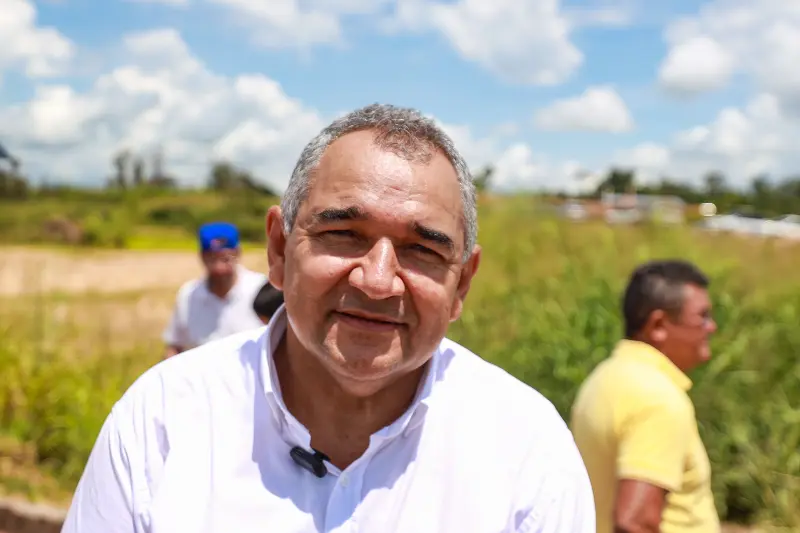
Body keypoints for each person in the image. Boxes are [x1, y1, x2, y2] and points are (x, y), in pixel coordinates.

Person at [61, 103, 595, 533]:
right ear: (278, 248)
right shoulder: (164, 420)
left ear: (463, 284)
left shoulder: (526, 449)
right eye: (343, 234)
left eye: (423, 250)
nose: (378, 281)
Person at [570, 259, 720, 533]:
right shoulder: (657, 399)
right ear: (658, 324)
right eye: (703, 316)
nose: (712, 327)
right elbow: (635, 521)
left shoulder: (605, 378)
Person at [162, 221, 267, 358]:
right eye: (212, 259)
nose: (219, 268)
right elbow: (175, 345)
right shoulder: (188, 295)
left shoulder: (261, 289)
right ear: (202, 257)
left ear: (238, 253)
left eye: (225, 259)